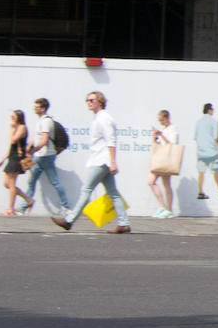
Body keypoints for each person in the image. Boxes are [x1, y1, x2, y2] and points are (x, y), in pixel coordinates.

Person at [64, 90, 132, 233]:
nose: (88, 103)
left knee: (86, 189)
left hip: (100, 161)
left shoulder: (104, 118)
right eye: (87, 100)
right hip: (102, 160)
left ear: (100, 101)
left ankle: (69, 220)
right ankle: (124, 223)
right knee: (113, 192)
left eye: (91, 100)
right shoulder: (98, 118)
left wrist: (113, 162)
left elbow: (111, 140)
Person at [26, 96, 80, 228]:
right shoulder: (40, 121)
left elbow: (44, 140)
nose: (35, 108)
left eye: (37, 106)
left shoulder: (46, 122)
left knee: (54, 181)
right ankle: (24, 206)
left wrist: (33, 151)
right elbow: (36, 137)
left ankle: (66, 206)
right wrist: (30, 146)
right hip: (41, 156)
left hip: (46, 156)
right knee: (32, 180)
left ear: (43, 108)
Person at [146, 109, 183, 218]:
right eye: (159, 121)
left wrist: (161, 135)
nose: (161, 122)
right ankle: (162, 206)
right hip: (160, 159)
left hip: (167, 159)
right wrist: (155, 137)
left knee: (166, 184)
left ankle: (168, 209)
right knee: (151, 181)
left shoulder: (173, 129)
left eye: (162, 120)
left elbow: (173, 144)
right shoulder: (164, 129)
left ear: (167, 118)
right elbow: (160, 143)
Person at [0, 107, 31, 215]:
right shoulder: (17, 127)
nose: (11, 119)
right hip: (12, 156)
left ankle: (10, 209)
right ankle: (28, 200)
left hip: (17, 158)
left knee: (11, 184)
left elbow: (13, 140)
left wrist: (12, 129)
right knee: (6, 183)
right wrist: (3, 159)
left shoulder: (22, 127)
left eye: (13, 117)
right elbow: (11, 146)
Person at [192, 102, 218, 206]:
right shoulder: (213, 122)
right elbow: (216, 137)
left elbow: (195, 137)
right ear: (209, 110)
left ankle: (200, 191)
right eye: (212, 109)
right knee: (215, 171)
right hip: (212, 151)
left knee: (201, 172)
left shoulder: (198, 122)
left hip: (201, 151)